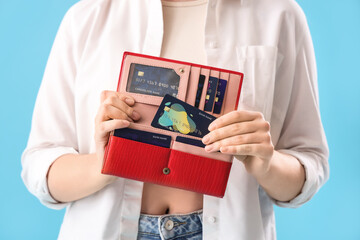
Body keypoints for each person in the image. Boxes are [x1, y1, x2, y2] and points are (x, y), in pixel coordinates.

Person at [21, 0, 329, 239]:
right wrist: (104, 161)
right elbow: (40, 167)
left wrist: (267, 163)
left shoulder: (279, 14)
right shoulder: (86, 17)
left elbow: (309, 165)